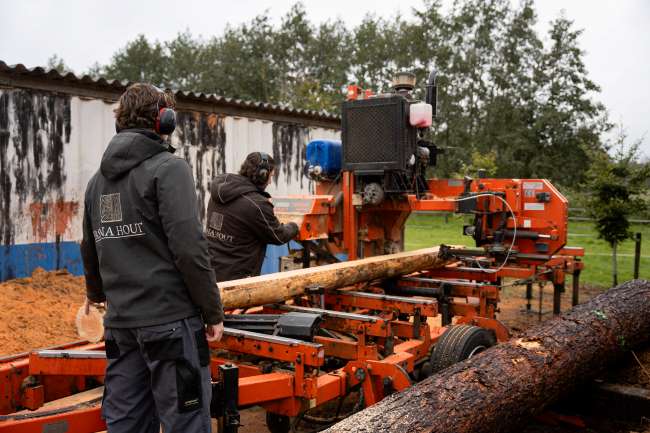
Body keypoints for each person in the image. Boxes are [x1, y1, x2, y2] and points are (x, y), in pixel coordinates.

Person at [80, 83, 223, 433]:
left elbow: (89, 245)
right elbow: (189, 247)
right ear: (165, 120)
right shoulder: (169, 169)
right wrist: (212, 311)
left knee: (127, 424)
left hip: (121, 327)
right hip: (171, 324)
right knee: (185, 423)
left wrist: (97, 296)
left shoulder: (97, 182)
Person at [205, 152, 299, 281]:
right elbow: (278, 236)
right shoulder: (257, 204)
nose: (270, 181)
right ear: (262, 175)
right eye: (270, 176)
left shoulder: (220, 192)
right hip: (237, 279)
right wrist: (295, 225)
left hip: (210, 272)